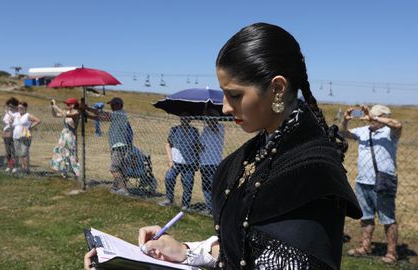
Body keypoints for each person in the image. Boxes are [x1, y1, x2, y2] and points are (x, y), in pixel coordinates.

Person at [86, 23, 361, 270]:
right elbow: (243, 248)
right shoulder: (257, 151)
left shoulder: (309, 171)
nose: (226, 107)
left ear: (277, 88)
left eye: (235, 94)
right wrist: (186, 251)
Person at [340, 104, 402, 265]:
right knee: (366, 218)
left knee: (388, 219)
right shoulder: (364, 130)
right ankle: (365, 247)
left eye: (374, 116)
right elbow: (343, 133)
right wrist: (345, 121)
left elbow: (397, 124)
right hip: (362, 182)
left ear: (383, 117)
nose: (369, 118)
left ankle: (391, 253)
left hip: (383, 182)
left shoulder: (390, 132)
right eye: (370, 115)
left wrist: (374, 117)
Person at [83, 97, 133, 196]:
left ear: (119, 105)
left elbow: (103, 114)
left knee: (114, 168)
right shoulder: (117, 114)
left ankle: (123, 189)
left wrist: (88, 108)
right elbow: (102, 118)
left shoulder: (120, 114)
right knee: (118, 168)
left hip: (119, 146)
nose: (112, 106)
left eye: (113, 104)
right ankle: (118, 187)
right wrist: (88, 116)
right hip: (117, 146)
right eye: (111, 105)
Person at [158, 116, 201, 210]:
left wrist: (197, 160)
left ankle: (185, 204)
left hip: (189, 162)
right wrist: (170, 160)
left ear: (190, 119)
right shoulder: (174, 129)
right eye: (183, 117)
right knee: (169, 178)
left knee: (188, 183)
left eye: (187, 117)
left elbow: (197, 147)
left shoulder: (194, 131)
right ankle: (169, 199)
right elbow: (168, 144)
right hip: (175, 161)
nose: (185, 119)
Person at [199, 113, 225, 214]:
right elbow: (201, 146)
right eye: (209, 117)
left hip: (214, 162)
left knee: (214, 186)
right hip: (204, 162)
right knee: (205, 186)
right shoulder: (205, 130)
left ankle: (217, 207)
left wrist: (210, 121)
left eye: (213, 117)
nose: (210, 120)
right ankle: (209, 207)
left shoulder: (221, 127)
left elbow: (215, 129)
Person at [50, 98, 81, 178]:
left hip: (71, 135)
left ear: (73, 105)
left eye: (68, 104)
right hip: (64, 135)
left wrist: (56, 106)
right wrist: (52, 107)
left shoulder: (77, 113)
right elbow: (55, 115)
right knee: (62, 153)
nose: (66, 106)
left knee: (72, 154)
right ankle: (64, 172)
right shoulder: (67, 112)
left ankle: (76, 173)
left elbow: (65, 115)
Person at [11, 102, 41, 173]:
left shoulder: (27, 115)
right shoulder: (17, 116)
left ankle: (27, 169)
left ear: (25, 108)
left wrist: (30, 127)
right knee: (19, 153)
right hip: (16, 137)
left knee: (24, 153)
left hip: (25, 137)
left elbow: (38, 120)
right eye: (18, 108)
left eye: (21, 108)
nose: (19, 109)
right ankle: (23, 168)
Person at [0, 97, 19, 172]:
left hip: (13, 133)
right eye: (8, 106)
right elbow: (4, 124)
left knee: (14, 151)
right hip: (6, 133)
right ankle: (10, 166)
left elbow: (15, 122)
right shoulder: (7, 114)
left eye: (11, 106)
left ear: (15, 106)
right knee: (7, 151)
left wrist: (8, 113)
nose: (9, 107)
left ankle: (16, 166)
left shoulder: (17, 114)